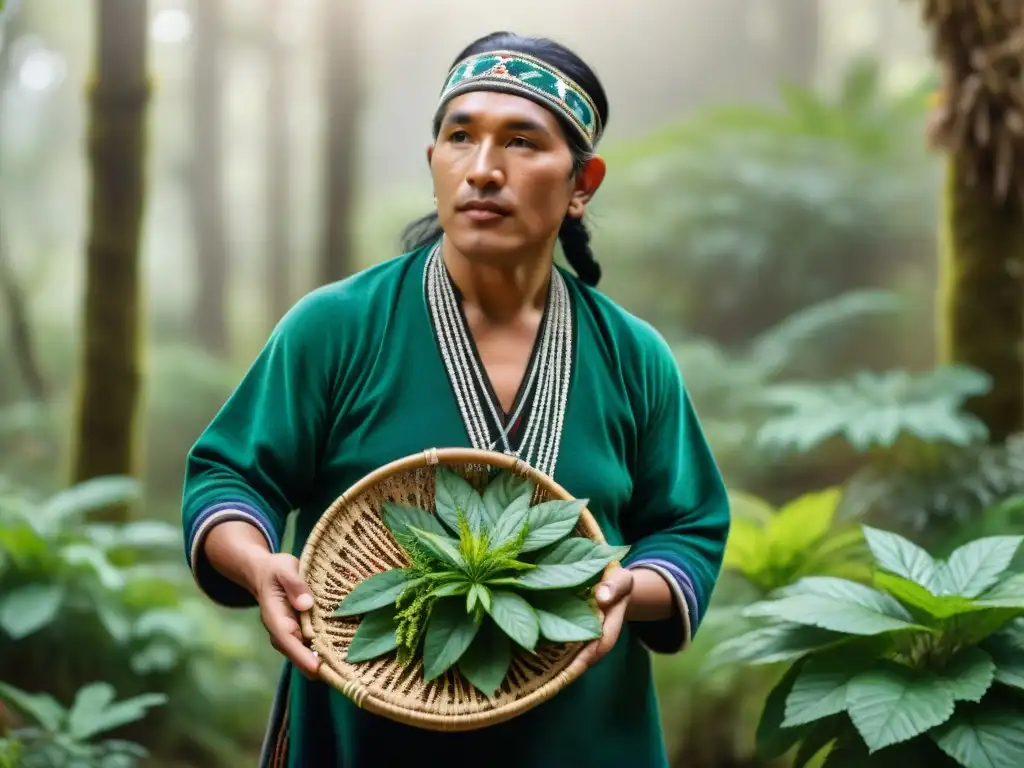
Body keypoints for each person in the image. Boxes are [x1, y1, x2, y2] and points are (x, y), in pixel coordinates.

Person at [181, 30, 730, 768]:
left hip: (579, 738)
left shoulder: (634, 357)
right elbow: (230, 476)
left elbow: (689, 525)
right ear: (433, 161)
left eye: (522, 142)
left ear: (582, 183)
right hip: (367, 735)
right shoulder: (337, 328)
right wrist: (257, 562)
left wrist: (635, 588)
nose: (482, 169)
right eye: (459, 136)